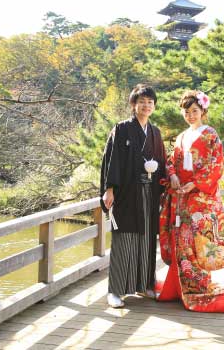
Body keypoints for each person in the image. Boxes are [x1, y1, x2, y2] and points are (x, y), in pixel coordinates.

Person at [158, 90, 224, 312]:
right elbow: (172, 160)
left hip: (201, 197)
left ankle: (199, 287)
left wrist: (194, 184)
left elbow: (216, 165)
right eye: (187, 111)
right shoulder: (182, 136)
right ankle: (182, 286)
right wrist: (173, 176)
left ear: (203, 111)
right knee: (181, 240)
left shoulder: (210, 134)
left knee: (198, 241)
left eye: (195, 111)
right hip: (181, 195)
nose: (191, 115)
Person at [100, 84, 166, 308]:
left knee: (147, 240)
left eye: (150, 102)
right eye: (142, 102)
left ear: (154, 106)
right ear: (133, 104)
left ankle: (145, 285)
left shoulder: (155, 133)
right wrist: (109, 189)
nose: (146, 106)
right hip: (127, 193)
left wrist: (165, 184)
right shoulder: (122, 129)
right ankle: (116, 290)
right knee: (124, 239)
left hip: (149, 193)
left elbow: (164, 164)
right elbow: (112, 160)